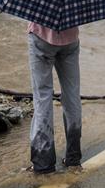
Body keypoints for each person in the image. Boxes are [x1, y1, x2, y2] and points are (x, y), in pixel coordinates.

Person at [26, 21, 82, 174]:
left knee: (42, 97)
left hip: (40, 37)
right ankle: (73, 159)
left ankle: (43, 163)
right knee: (72, 95)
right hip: (70, 39)